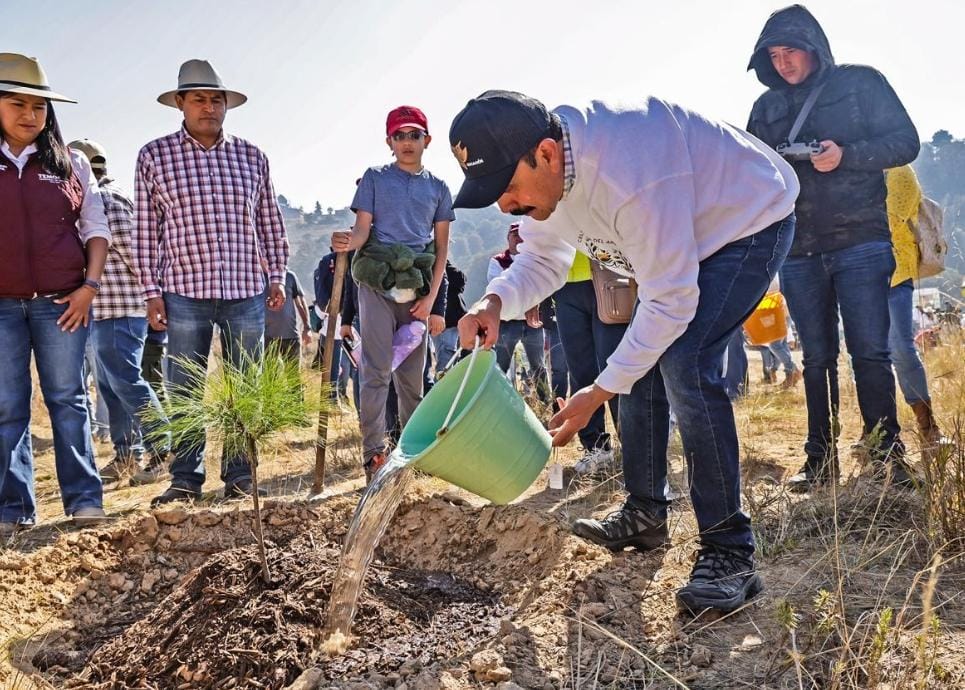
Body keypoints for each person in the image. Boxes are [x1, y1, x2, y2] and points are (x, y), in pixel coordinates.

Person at [450, 90, 798, 613]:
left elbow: (672, 301)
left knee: (683, 360)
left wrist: (598, 391)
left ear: (545, 154)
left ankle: (730, 551)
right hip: (675, 243)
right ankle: (645, 512)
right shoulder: (547, 175)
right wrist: (494, 301)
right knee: (632, 363)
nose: (505, 205)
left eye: (506, 187)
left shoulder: (629, 169)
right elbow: (543, 260)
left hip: (745, 222)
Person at [746, 5, 919, 491]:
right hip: (798, 247)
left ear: (814, 47)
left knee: (870, 352)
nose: (783, 63)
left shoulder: (861, 83)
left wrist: (847, 156)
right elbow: (753, 174)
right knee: (817, 357)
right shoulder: (765, 108)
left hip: (861, 240)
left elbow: (906, 142)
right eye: (774, 55)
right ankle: (819, 460)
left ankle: (886, 453)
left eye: (791, 51)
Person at [134, 60, 289, 506]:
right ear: (180, 103)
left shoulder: (251, 156)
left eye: (216, 99)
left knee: (245, 385)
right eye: (198, 98)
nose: (208, 107)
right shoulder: (154, 156)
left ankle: (240, 476)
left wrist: (275, 274)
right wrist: (151, 290)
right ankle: (185, 478)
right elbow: (148, 229)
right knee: (184, 386)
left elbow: (269, 223)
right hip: (184, 289)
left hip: (246, 289)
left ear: (227, 105)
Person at [0, 54, 112, 535]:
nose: (30, 114)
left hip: (63, 304)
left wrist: (89, 287)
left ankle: (84, 502)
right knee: (7, 404)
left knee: (69, 399)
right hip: (1, 306)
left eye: (39, 106)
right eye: (17, 103)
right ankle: (13, 509)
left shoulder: (72, 163)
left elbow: (96, 229)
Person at [331, 105, 453, 483]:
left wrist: (431, 300)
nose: (407, 142)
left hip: (417, 287)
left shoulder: (438, 188)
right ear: (389, 141)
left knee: (412, 381)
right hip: (376, 284)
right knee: (376, 372)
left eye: (414, 134)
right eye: (399, 135)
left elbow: (442, 249)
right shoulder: (373, 179)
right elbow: (363, 230)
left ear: (427, 140)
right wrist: (347, 241)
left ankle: (412, 454)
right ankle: (373, 456)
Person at [69, 138, 172, 486]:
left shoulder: (108, 200)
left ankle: (163, 450)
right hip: (105, 308)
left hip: (121, 306)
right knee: (111, 387)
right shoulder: (94, 198)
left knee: (128, 382)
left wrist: (149, 295)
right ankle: (127, 454)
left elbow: (134, 253)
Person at [884, 165, 946, 448]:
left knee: (900, 348)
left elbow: (892, 217)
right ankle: (875, 431)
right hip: (856, 276)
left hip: (895, 272)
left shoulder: (899, 170)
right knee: (864, 356)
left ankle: (928, 427)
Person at [553, 251, 627, 475]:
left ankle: (633, 445)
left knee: (615, 367)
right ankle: (595, 447)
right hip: (564, 284)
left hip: (607, 275)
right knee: (579, 370)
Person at [488, 223, 551, 404]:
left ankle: (544, 402)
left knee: (538, 365)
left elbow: (542, 286)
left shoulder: (535, 260)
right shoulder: (497, 261)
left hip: (532, 323)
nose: (518, 238)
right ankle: (500, 403)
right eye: (514, 235)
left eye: (522, 235)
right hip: (507, 322)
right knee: (501, 365)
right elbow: (498, 287)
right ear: (508, 237)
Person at [265, 267, 311, 365]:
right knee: (270, 376)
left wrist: (307, 328)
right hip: (268, 337)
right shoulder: (261, 276)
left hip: (291, 336)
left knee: (293, 376)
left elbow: (301, 303)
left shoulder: (290, 276)